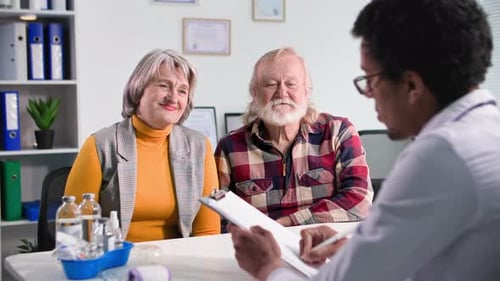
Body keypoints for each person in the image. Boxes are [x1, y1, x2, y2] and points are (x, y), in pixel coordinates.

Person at [228, 0, 500, 280]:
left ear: (412, 86)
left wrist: (266, 266)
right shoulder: (484, 133)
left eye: (371, 78)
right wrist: (356, 247)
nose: (367, 93)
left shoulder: (440, 155)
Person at [64, 49, 221, 242]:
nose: (173, 97)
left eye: (182, 90)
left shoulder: (199, 146)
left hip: (179, 263)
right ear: (138, 89)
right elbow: (77, 233)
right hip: (116, 261)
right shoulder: (101, 145)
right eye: (164, 86)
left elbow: (207, 233)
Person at [214, 47, 373, 227]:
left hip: (326, 246)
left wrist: (288, 223)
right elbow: (218, 217)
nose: (282, 93)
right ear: (254, 93)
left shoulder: (338, 132)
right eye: (271, 84)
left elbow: (360, 201)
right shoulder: (230, 147)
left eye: (291, 84)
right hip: (261, 248)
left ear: (307, 91)